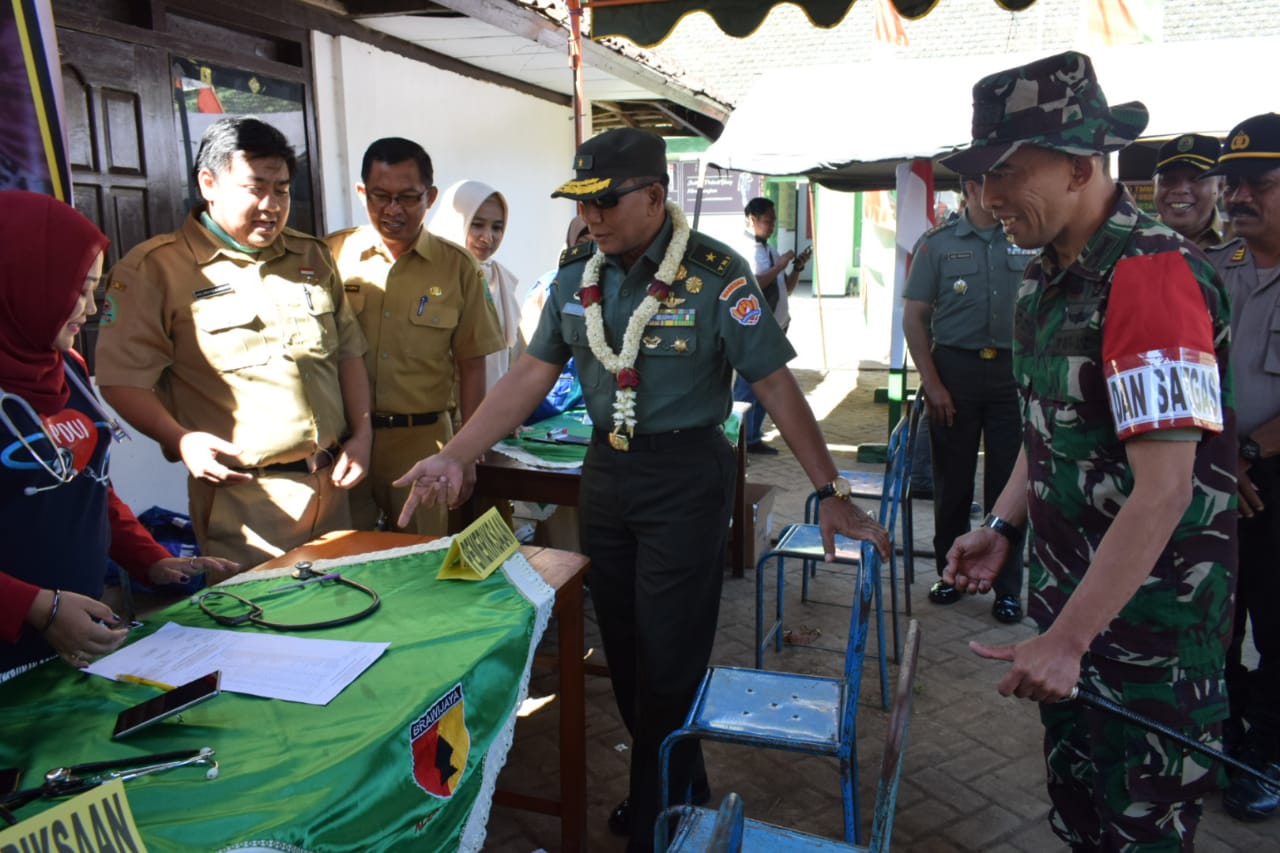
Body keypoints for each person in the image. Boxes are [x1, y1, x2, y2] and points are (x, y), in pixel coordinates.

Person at [392, 127, 889, 853]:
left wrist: (831, 486)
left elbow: (776, 382)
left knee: (670, 651)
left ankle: (654, 812)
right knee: (624, 649)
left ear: (655, 196)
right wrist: (458, 452)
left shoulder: (716, 273)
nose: (592, 216)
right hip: (608, 475)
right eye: (582, 203)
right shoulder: (574, 277)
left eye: (607, 201)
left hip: (687, 477)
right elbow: (529, 376)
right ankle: (682, 780)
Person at [939, 51, 1236, 850]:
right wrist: (999, 526)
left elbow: (1166, 489)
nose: (988, 197)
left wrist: (1069, 638)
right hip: (1068, 623)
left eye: (1006, 172)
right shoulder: (1046, 277)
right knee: (1078, 821)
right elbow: (1050, 430)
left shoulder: (1152, 276)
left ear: (1079, 165)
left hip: (1148, 646)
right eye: (980, 176)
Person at [96, 116, 372, 568]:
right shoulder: (156, 269)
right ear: (209, 183)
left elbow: (347, 353)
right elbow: (121, 380)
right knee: (261, 630)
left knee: (348, 618)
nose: (271, 204)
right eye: (255, 187)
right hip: (244, 499)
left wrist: (362, 436)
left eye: (281, 189)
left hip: (333, 488)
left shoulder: (310, 255)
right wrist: (180, 438)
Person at [0, 191, 239, 678]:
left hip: (70, 642)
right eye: (78, 289)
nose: (89, 309)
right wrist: (35, 606)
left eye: (93, 289)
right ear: (21, 282)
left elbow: (89, 486)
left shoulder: (67, 367)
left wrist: (148, 560)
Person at [325, 140, 504, 535]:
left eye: (407, 197)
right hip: (343, 444)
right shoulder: (329, 257)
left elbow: (472, 366)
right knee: (342, 561)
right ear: (361, 193)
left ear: (431, 197)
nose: (393, 209)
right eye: (381, 196)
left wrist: (467, 453)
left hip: (424, 444)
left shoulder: (457, 268)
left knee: (421, 561)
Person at [902, 175, 1027, 624]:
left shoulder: (1027, 235)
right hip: (953, 372)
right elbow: (914, 319)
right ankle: (950, 574)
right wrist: (932, 383)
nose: (998, 194)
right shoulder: (936, 245)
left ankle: (1007, 588)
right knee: (952, 480)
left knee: (1008, 486)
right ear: (969, 189)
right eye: (987, 185)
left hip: (1014, 374)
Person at [1203, 112, 1280, 821]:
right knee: (1218, 618)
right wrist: (1226, 458)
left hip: (1270, 478)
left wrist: (1251, 454)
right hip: (1221, 475)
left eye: (1258, 182)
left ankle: (1269, 754)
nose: (1238, 195)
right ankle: (1226, 743)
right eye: (1231, 183)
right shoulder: (1218, 270)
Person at [428, 179, 522, 393]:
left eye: (497, 227)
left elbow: (509, 357)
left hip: (493, 409)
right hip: (444, 412)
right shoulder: (432, 277)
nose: (488, 237)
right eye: (477, 224)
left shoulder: (499, 276)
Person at [733, 196, 808, 455]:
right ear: (752, 219)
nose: (772, 226)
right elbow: (755, 283)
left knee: (768, 383)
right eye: (767, 221)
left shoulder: (769, 249)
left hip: (775, 327)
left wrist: (796, 268)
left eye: (774, 221)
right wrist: (778, 267)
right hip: (752, 328)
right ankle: (739, 439)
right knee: (748, 385)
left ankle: (752, 435)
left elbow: (785, 288)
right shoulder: (744, 250)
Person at [1153, 133, 1229, 249]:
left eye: (1196, 178)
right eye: (1168, 179)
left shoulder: (1247, 243)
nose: (1180, 190)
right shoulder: (1128, 243)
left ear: (1220, 186)